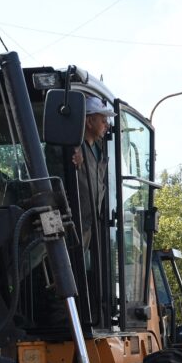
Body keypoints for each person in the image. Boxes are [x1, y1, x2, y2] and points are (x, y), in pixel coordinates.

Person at [71, 95, 113, 251]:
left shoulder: (100, 150)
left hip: (88, 225)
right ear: (89, 122)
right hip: (73, 225)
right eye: (103, 121)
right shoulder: (72, 147)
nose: (107, 126)